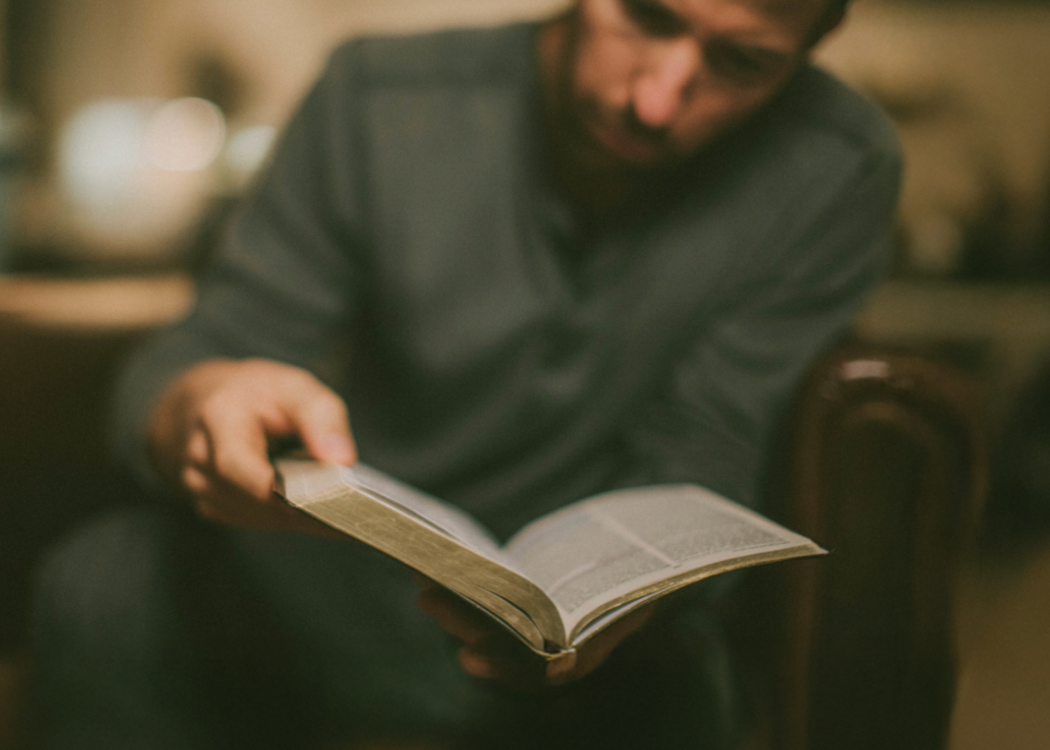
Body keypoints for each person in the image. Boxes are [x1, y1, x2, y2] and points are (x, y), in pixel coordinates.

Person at [29, 0, 901, 748]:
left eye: (743, 63)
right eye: (644, 13)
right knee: (107, 581)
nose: (657, 99)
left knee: (679, 685)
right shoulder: (376, 97)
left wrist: (627, 614)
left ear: (807, 54)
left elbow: (710, 444)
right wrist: (205, 401)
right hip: (339, 575)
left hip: (609, 631)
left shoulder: (839, 167)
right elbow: (197, 354)